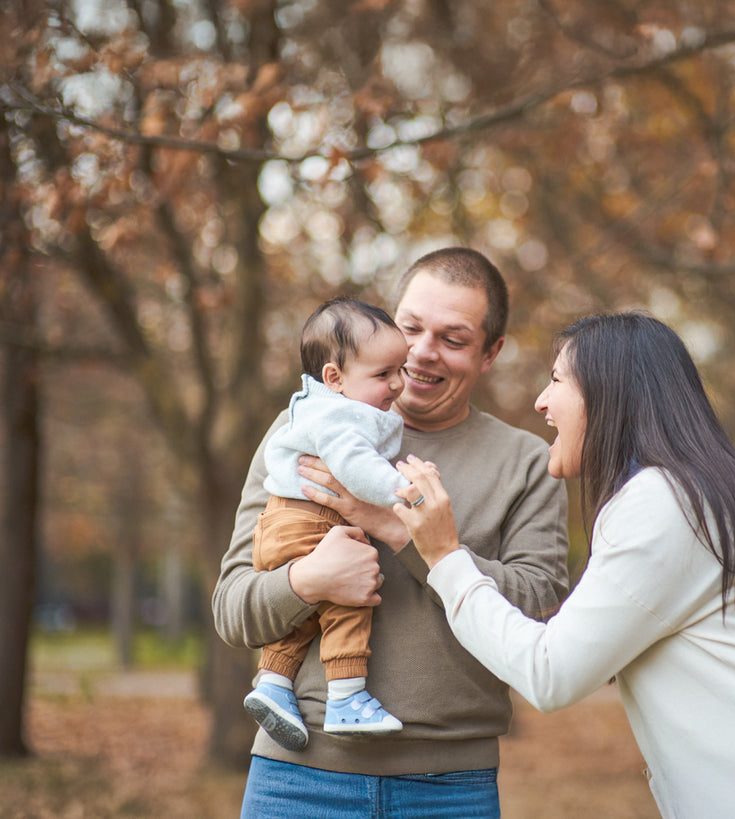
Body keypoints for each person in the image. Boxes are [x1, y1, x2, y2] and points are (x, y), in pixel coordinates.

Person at [393, 312, 735, 819]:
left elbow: (549, 673)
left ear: (609, 394)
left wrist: (444, 556)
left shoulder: (663, 503)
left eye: (557, 380)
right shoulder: (710, 491)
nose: (541, 401)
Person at [212, 247, 569, 818]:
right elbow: (233, 611)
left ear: (490, 352)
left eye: (453, 339)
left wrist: (401, 532)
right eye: (412, 328)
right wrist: (307, 581)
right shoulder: (303, 430)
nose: (423, 352)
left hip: (451, 786)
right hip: (295, 778)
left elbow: (537, 606)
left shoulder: (527, 462)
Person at [243, 297, 410, 751]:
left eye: (402, 369)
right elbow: (356, 467)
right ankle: (347, 697)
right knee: (348, 599)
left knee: (305, 615)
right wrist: (404, 491)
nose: (398, 383)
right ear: (334, 378)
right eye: (383, 374)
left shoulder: (314, 409)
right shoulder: (341, 415)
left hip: (280, 524)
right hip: (312, 522)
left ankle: (273, 684)